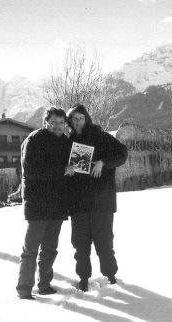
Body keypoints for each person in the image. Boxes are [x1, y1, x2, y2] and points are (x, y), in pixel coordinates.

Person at [66, 104, 128, 292]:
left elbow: (122, 154)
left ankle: (111, 276)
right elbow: (65, 167)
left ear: (87, 119)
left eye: (81, 118)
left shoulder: (100, 136)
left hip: (102, 201)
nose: (78, 122)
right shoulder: (68, 141)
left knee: (105, 242)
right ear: (70, 121)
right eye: (74, 119)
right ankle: (83, 278)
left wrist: (104, 162)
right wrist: (67, 169)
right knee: (80, 244)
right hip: (79, 202)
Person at [16, 107, 71, 300]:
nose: (57, 126)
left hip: (58, 204)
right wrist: (62, 171)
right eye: (53, 122)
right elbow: (31, 171)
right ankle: (24, 289)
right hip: (38, 204)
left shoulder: (66, 142)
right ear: (45, 122)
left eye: (61, 123)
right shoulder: (34, 140)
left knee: (50, 249)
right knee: (30, 250)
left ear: (66, 124)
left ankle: (45, 284)